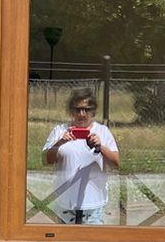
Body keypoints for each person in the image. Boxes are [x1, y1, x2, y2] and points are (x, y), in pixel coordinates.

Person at [42, 88, 120, 225]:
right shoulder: (60, 130)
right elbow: (46, 160)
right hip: (65, 203)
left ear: (93, 111)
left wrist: (100, 147)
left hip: (93, 204)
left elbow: (116, 163)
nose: (82, 114)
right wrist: (60, 142)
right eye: (77, 109)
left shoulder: (102, 131)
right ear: (71, 111)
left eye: (86, 109)